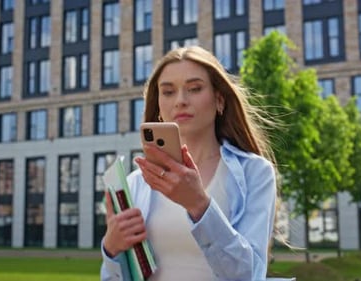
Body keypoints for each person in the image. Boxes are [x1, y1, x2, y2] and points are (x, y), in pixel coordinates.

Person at [101, 46, 279, 281]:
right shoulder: (135, 182)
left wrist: (199, 205)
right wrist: (111, 249)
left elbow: (248, 274)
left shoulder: (255, 172)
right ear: (159, 108)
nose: (180, 101)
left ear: (219, 100)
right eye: (168, 92)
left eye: (194, 89)